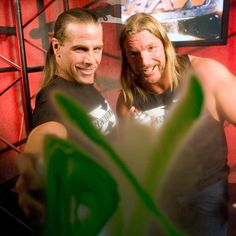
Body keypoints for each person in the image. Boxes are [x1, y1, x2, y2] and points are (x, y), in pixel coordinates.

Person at [116, 12, 236, 236]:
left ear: (165, 44)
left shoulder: (206, 74)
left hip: (206, 193)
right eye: (134, 53)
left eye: (151, 48)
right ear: (126, 56)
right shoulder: (127, 99)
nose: (144, 61)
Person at [16, 7, 116, 226]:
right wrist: (34, 172)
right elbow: (48, 134)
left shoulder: (82, 81)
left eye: (97, 48)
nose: (92, 60)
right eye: (80, 49)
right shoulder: (54, 98)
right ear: (57, 47)